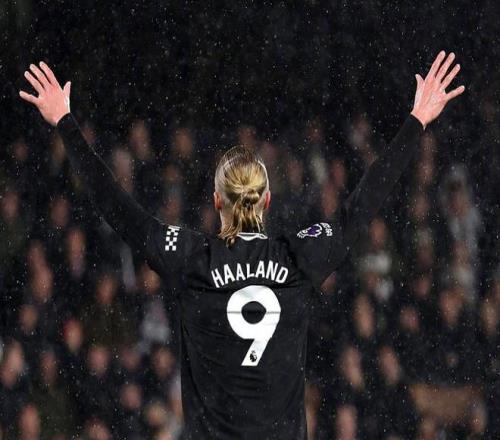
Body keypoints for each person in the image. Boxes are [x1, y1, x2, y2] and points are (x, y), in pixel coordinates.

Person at [19, 51, 464, 439]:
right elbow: (362, 206)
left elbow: (118, 208)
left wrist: (66, 123)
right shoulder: (297, 257)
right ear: (267, 201)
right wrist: (416, 121)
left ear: (217, 202)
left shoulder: (192, 258)